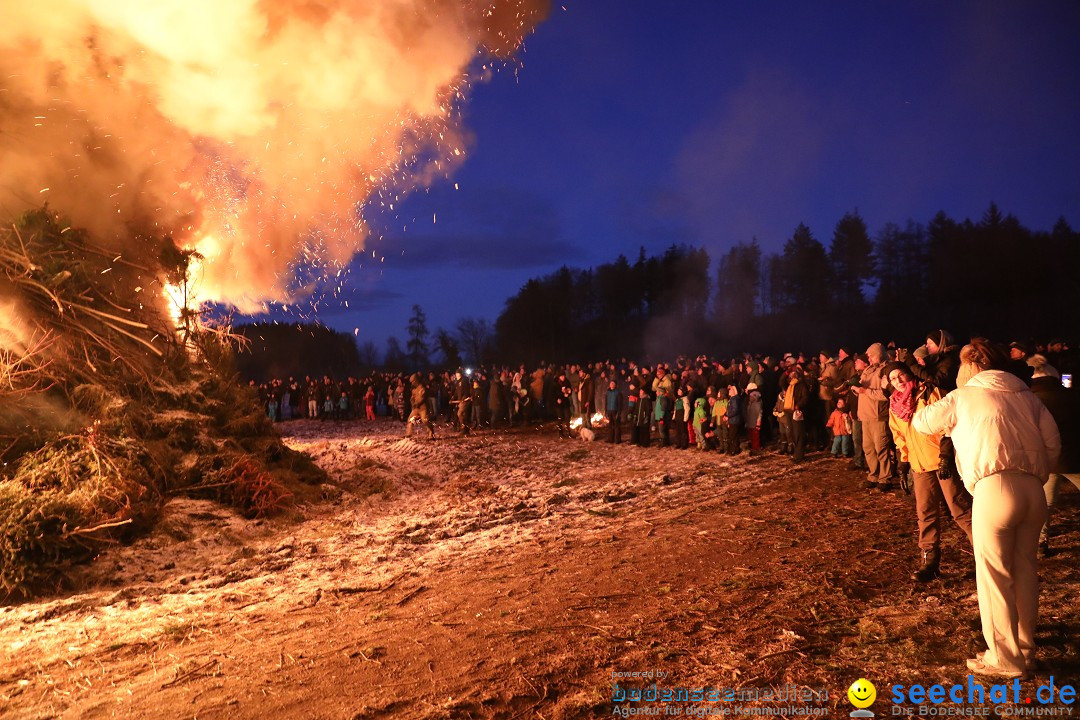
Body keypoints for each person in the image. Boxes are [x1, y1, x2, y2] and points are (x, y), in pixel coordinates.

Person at [914, 339, 1060, 678]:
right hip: (1033, 490)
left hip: (993, 488)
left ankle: (1004, 658)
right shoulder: (1026, 395)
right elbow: (1052, 443)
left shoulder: (963, 396)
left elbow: (923, 422)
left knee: (994, 575)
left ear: (968, 369)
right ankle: (1025, 648)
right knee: (1025, 569)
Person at [886, 362, 973, 582]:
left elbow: (947, 425)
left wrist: (945, 456)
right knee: (925, 513)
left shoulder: (929, 393)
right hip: (919, 465)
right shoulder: (895, 404)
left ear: (909, 374)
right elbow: (899, 435)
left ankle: (987, 554)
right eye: (893, 379)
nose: (898, 381)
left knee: (960, 509)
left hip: (941, 461)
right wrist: (903, 461)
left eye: (900, 375)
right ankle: (929, 562)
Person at [1026, 355, 1080, 556]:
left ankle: (1040, 543)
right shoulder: (1072, 396)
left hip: (1048, 460)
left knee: (1044, 504)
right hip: (1074, 458)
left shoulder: (1030, 400)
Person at [854, 343, 893, 489]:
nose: (868, 358)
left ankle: (885, 478)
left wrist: (866, 392)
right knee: (868, 448)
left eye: (871, 355)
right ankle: (873, 474)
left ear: (880, 354)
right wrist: (857, 389)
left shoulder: (886, 370)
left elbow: (886, 394)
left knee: (881, 448)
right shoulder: (868, 370)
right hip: (865, 415)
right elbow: (864, 389)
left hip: (878, 416)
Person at [405, 373, 436, 439]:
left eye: (413, 381)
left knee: (425, 420)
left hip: (423, 408)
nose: (412, 383)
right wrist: (412, 402)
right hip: (416, 409)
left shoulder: (422, 388)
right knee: (410, 420)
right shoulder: (414, 389)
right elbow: (412, 398)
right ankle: (408, 434)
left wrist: (417, 403)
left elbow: (422, 398)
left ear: (416, 380)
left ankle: (431, 433)